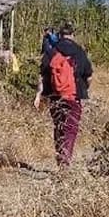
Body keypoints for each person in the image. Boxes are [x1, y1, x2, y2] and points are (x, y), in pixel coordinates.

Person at [41, 22, 92, 168]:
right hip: (73, 97)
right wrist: (84, 89)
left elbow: (43, 74)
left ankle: (60, 157)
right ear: (72, 35)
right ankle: (65, 161)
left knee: (58, 126)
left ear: (59, 35)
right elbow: (88, 75)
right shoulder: (80, 51)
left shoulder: (52, 50)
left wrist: (40, 95)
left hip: (55, 96)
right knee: (70, 129)